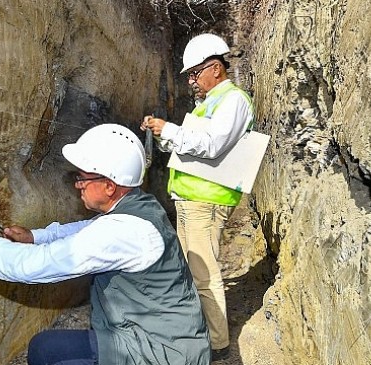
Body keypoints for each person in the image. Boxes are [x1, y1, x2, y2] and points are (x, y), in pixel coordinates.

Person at [0, 123, 210, 364]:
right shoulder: (138, 206)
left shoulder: (124, 232)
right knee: (44, 349)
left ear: (109, 186)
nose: (78, 185)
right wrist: (35, 236)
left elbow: (35, 265)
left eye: (84, 178)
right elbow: (88, 229)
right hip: (153, 338)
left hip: (163, 353)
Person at [141, 33, 255, 361]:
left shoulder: (232, 100)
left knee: (204, 274)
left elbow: (212, 145)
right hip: (192, 200)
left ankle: (218, 343)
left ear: (216, 69)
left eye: (194, 73)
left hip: (207, 201)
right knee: (194, 271)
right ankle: (204, 331)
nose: (191, 80)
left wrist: (171, 130)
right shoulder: (208, 105)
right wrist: (162, 135)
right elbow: (191, 146)